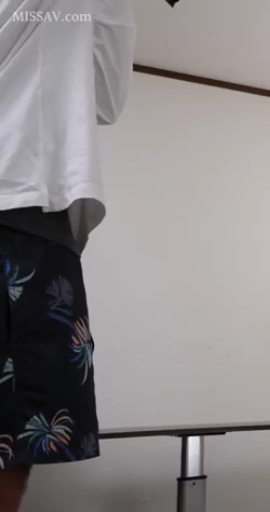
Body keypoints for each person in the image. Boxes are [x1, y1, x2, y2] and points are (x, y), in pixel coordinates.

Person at [0, 0, 135, 510]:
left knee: (21, 431)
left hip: (36, 218)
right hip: (22, 210)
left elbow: (105, 99)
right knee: (15, 433)